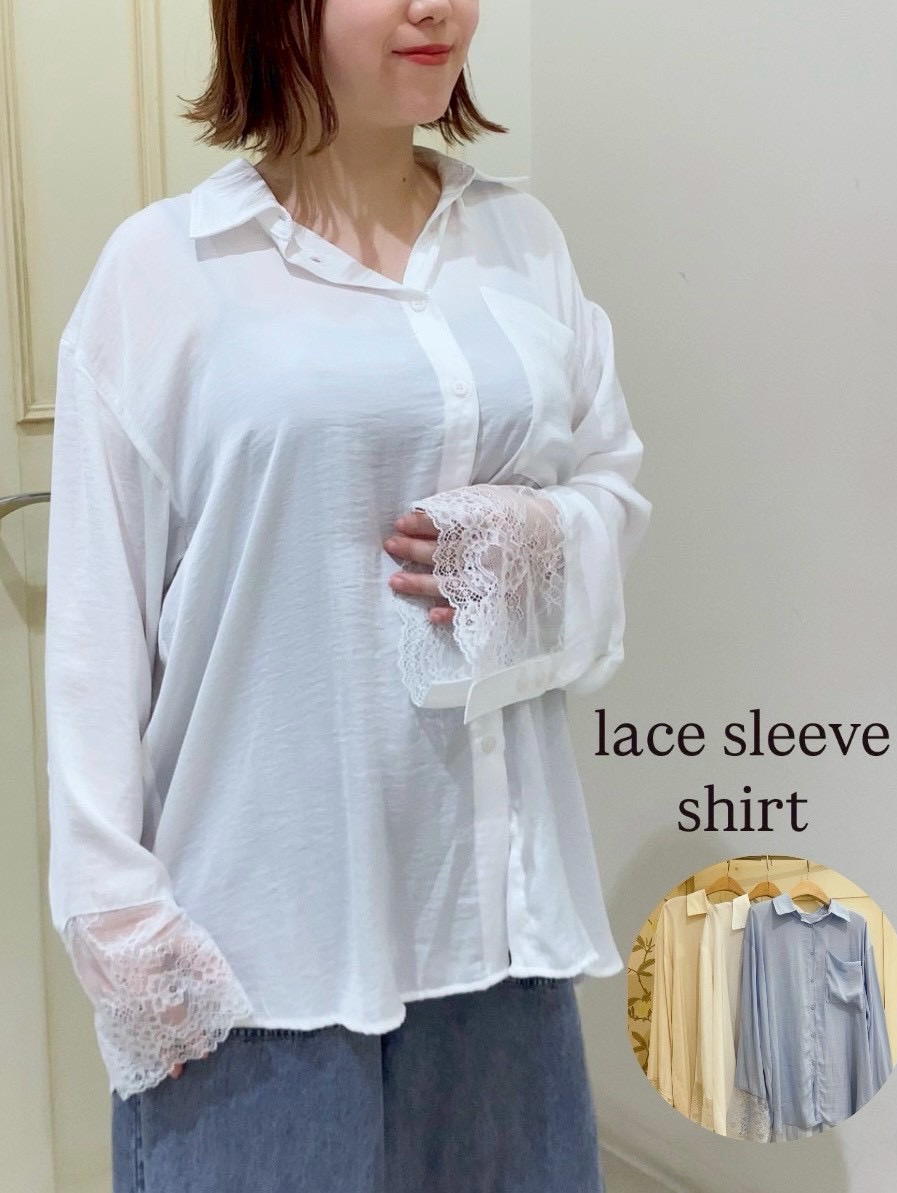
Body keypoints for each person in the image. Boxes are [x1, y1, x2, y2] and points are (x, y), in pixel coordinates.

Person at [44, 1, 652, 1189]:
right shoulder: (164, 273)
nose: (435, 8)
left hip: (494, 932)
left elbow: (611, 489)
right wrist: (115, 912)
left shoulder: (522, 244)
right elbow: (93, 632)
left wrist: (536, 543)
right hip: (255, 953)